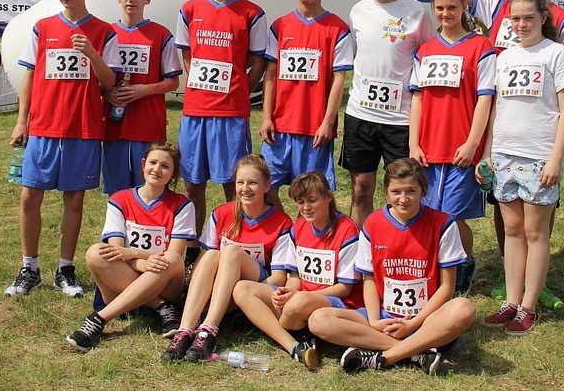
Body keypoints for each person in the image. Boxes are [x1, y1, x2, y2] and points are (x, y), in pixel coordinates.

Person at [411, 0, 564, 307]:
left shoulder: (561, 19)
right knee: (506, 208)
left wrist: (557, 149)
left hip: (538, 128)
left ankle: (537, 283)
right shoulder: (498, 8)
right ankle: (511, 275)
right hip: (499, 124)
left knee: (540, 210)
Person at [6, 0, 119, 298]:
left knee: (74, 203)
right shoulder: (42, 28)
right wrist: (20, 120)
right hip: (43, 128)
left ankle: (65, 270)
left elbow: (110, 81)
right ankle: (29, 268)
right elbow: (29, 76)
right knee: (30, 197)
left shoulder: (103, 31)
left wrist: (91, 53)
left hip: (82, 130)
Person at [307, 158, 475, 376]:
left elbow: (447, 288)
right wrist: (376, 321)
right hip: (383, 316)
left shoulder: (443, 224)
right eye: (396, 192)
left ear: (423, 190)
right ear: (386, 191)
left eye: (411, 191)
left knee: (464, 308)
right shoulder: (373, 223)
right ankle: (417, 352)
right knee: (319, 320)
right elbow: (369, 280)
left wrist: (413, 324)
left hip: (425, 319)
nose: (403, 199)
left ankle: (385, 357)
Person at [480, 0, 564, 335]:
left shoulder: (557, 54)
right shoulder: (505, 57)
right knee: (511, 231)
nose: (521, 25)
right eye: (516, 19)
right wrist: (488, 155)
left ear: (542, 18)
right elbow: (496, 109)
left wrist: (556, 158)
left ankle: (529, 306)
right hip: (504, 156)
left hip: (539, 157)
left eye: (528, 18)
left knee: (536, 233)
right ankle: (510, 300)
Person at [175, 0, 267, 267]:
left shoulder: (252, 13)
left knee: (234, 185)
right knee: (192, 185)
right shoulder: (189, 9)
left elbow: (258, 62)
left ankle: (235, 247)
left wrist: (242, 88)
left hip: (231, 114)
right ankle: (190, 250)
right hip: (195, 112)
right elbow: (188, 56)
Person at [339, 0, 437, 228]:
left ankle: (403, 252)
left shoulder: (417, 12)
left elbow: (429, 61)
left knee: (403, 193)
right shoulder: (358, 11)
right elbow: (356, 56)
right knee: (360, 190)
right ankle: (360, 257)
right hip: (361, 116)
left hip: (400, 120)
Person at [161, 154, 292, 363]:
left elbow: (278, 278)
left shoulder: (282, 223)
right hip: (220, 286)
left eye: (253, 183)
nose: (245, 189)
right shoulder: (222, 213)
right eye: (240, 182)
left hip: (254, 286)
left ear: (267, 186)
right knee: (213, 254)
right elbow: (203, 261)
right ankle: (184, 331)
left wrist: (241, 292)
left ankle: (209, 331)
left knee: (230, 252)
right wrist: (200, 294)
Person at [409, 0, 496, 293]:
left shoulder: (481, 48)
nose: (446, 13)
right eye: (440, 8)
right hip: (428, 149)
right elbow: (417, 98)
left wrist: (473, 143)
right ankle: (437, 271)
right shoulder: (425, 51)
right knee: (431, 215)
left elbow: (486, 98)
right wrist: (414, 143)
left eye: (453, 7)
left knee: (455, 217)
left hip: (461, 147)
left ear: (464, 9)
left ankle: (464, 264)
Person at [66, 142, 196, 351]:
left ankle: (98, 320)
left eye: (165, 166)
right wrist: (143, 263)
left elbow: (173, 255)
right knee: (95, 253)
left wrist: (134, 254)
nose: (157, 169)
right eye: (153, 163)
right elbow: (115, 250)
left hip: (164, 282)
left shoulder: (182, 205)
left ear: (173, 173)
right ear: (143, 165)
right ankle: (161, 308)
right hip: (128, 279)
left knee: (170, 260)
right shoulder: (120, 199)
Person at [232, 171, 363, 370]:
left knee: (298, 303)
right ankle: (294, 345)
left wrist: (300, 296)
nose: (306, 208)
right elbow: (295, 276)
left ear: (328, 197)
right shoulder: (298, 228)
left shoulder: (347, 230)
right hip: (300, 298)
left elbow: (344, 288)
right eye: (300, 202)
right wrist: (287, 293)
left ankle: (277, 323)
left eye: (312, 200)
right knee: (243, 289)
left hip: (334, 302)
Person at [260, 0, 353, 209]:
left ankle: (310, 242)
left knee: (315, 198)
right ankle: (284, 239)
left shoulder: (338, 29)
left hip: (314, 130)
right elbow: (270, 75)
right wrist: (266, 117)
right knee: (265, 189)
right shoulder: (279, 27)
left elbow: (339, 80)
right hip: (279, 128)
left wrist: (327, 122)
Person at [102, 0, 182, 195]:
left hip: (147, 126)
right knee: (116, 192)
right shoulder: (106, 33)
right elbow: (96, 79)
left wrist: (144, 90)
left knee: (150, 188)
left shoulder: (161, 35)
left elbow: (173, 81)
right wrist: (106, 92)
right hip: (113, 126)